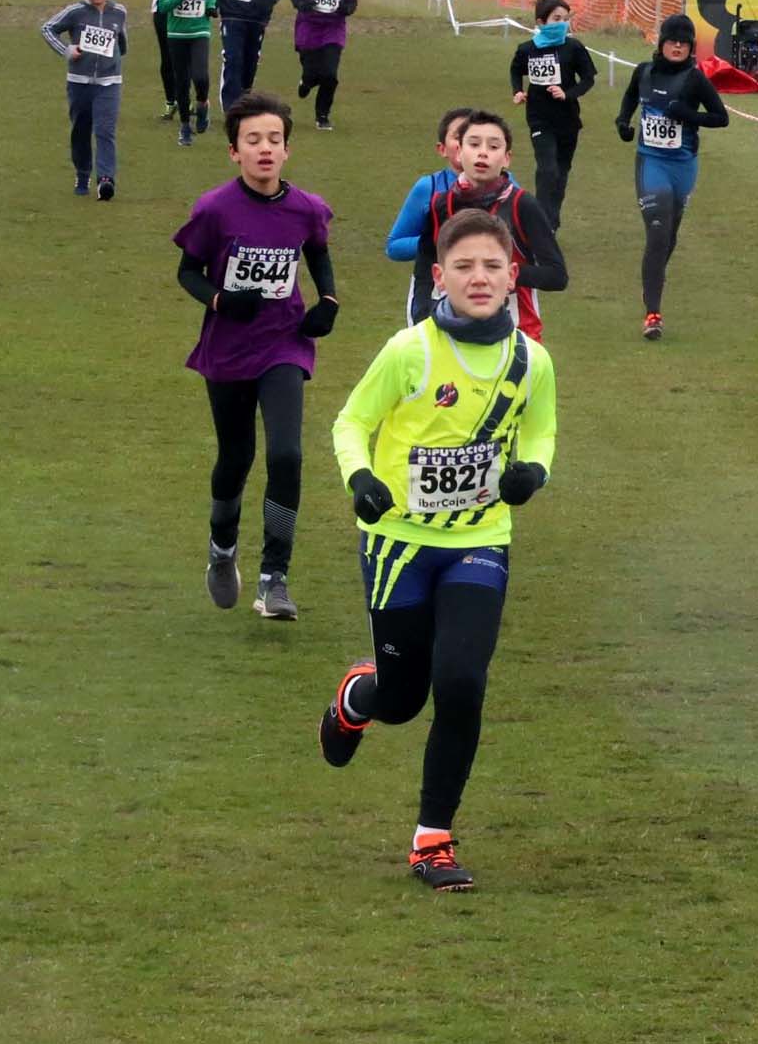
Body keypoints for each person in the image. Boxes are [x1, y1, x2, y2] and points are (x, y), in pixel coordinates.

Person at [321, 207, 559, 893]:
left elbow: (540, 433)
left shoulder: (530, 360)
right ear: (439, 277)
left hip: (479, 543)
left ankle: (433, 840)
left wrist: (533, 473)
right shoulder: (409, 352)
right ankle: (354, 700)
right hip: (399, 544)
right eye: (464, 267)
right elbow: (351, 422)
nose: (479, 278)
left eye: (492, 266)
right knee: (401, 700)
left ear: (513, 276)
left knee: (461, 683)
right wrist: (359, 478)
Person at [173, 91, 339, 622]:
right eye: (253, 140)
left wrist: (328, 302)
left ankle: (275, 577)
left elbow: (317, 252)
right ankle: (222, 549)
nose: (265, 148)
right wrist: (220, 300)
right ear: (234, 152)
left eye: (274, 140)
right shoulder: (214, 209)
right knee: (236, 458)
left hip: (283, 344)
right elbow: (187, 273)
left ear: (287, 149)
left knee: (287, 455)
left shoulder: (306, 208)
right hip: (227, 349)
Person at [614, 14, 730, 340]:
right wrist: (623, 122)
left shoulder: (695, 79)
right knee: (656, 231)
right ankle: (653, 313)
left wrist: (688, 115)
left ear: (691, 47)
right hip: (651, 162)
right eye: (672, 40)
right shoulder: (644, 72)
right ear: (661, 43)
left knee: (669, 234)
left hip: (683, 166)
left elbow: (721, 118)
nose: (677, 46)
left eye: (683, 42)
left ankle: (652, 282)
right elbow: (629, 97)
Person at [410, 111, 566, 342]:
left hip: (516, 336)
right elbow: (424, 264)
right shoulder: (441, 205)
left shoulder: (522, 205)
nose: (483, 152)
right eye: (474, 144)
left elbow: (557, 276)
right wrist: (423, 313)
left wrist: (505, 273)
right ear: (459, 152)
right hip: (452, 334)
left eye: (494, 147)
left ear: (506, 158)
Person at [508, 0, 597, 230]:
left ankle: (551, 222)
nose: (562, 23)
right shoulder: (527, 49)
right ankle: (540, 225)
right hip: (539, 119)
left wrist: (567, 94)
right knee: (547, 169)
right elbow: (516, 70)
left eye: (565, 19)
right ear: (540, 22)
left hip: (568, 120)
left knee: (560, 174)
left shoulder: (574, 47)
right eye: (556, 18)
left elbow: (588, 79)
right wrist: (517, 91)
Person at [40, 0, 127, 201]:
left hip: (110, 82)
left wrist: (116, 57)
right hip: (79, 82)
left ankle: (106, 180)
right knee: (81, 130)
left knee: (105, 131)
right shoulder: (75, 12)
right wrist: (67, 50)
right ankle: (82, 173)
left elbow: (121, 39)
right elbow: (48, 29)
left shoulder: (119, 11)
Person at [388, 107, 474, 323]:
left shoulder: (507, 186)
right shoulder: (428, 187)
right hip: (432, 290)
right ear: (442, 148)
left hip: (487, 289)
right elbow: (395, 246)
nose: (468, 144)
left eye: (474, 138)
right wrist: (437, 240)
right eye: (459, 136)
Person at [289, 0, 358, 132]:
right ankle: (307, 80)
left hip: (333, 30)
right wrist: (304, 4)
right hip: (308, 28)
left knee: (329, 75)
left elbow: (352, 3)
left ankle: (322, 115)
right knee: (311, 71)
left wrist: (345, 9)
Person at [159, 0, 219, 146]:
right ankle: (185, 126)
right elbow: (164, 5)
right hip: (176, 33)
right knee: (181, 82)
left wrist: (211, 7)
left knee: (200, 76)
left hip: (199, 32)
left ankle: (202, 104)